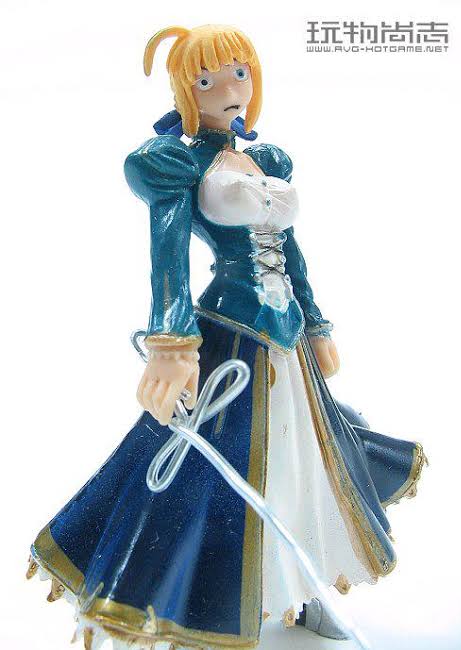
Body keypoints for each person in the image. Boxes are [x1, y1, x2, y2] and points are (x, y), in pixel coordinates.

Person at [27, 24, 427, 650]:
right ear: (186, 91)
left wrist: (316, 323)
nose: (228, 89)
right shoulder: (177, 164)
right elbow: (169, 258)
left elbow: (291, 253)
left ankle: (302, 588)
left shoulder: (267, 161)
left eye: (239, 73)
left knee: (302, 467)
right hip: (232, 332)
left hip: (288, 342)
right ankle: (188, 604)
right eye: (207, 79)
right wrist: (171, 345)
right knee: (212, 473)